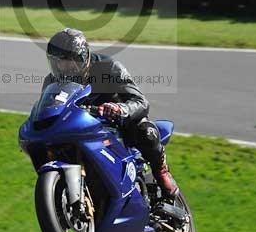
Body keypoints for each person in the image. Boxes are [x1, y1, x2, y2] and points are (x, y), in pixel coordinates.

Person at [43, 28, 179, 199]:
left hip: (118, 126)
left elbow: (140, 101)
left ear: (82, 57)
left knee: (146, 132)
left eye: (68, 61)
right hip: (81, 129)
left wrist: (120, 109)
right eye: (57, 62)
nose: (63, 67)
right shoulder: (51, 82)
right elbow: (48, 111)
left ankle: (161, 172)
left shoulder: (109, 67)